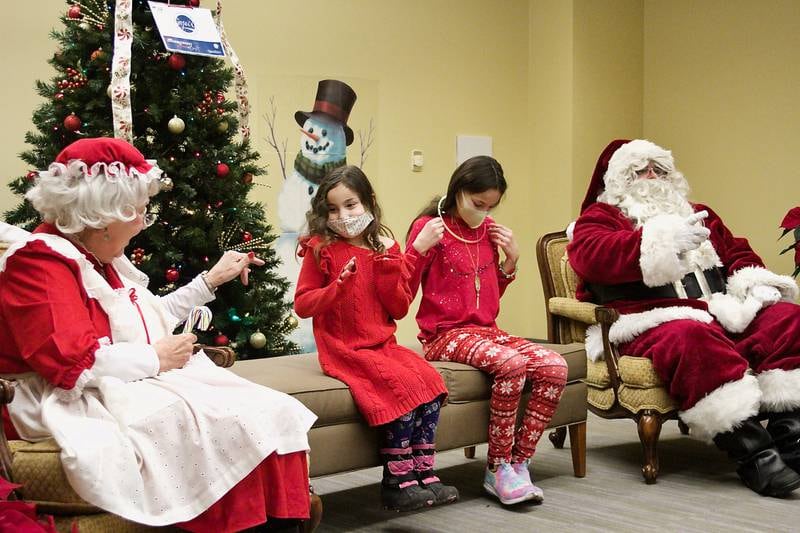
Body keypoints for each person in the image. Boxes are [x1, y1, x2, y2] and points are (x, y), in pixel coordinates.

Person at [0, 138, 317, 531]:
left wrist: (211, 280)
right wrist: (157, 357)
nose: (141, 221)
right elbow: (71, 363)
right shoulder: (41, 263)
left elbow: (144, 320)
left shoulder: (96, 259)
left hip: (114, 381)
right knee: (220, 421)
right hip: (61, 397)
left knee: (270, 409)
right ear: (102, 214)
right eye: (139, 210)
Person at [568, 138, 800, 497]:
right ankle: (756, 455)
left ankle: (791, 438)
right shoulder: (601, 218)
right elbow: (591, 256)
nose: (652, 177)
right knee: (692, 338)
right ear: (618, 179)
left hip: (718, 309)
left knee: (788, 318)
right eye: (639, 170)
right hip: (651, 318)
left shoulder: (696, 211)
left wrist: (754, 281)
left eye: (659, 169)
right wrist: (659, 240)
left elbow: (736, 250)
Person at [294, 165, 458, 512]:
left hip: (383, 344)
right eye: (333, 209)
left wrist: (391, 262)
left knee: (430, 382)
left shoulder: (385, 245)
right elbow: (303, 304)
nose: (342, 216)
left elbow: (398, 308)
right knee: (401, 387)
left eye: (351, 205)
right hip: (344, 349)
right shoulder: (320, 249)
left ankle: (423, 473)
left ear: (368, 202)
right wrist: (336, 288)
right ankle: (396, 481)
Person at [405, 155, 568, 506]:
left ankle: (519, 463)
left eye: (491, 206)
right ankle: (496, 469)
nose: (483, 212)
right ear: (458, 190)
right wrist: (418, 250)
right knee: (511, 365)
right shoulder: (429, 227)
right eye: (478, 204)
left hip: (486, 331)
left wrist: (510, 261)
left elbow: (486, 295)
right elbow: (401, 290)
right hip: (443, 334)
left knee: (555, 367)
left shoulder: (486, 232)